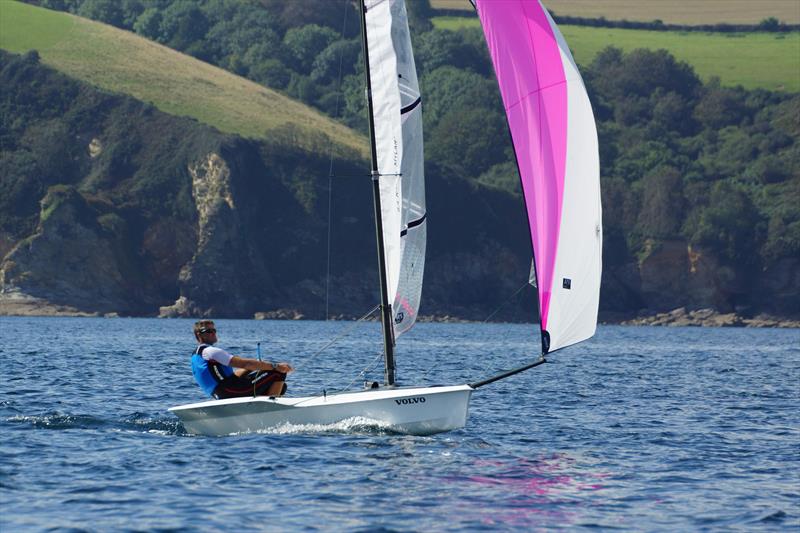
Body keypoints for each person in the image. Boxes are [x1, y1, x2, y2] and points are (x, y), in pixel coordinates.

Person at [191, 320, 293, 399]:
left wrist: (256, 365)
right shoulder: (211, 351)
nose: (213, 333)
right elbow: (246, 364)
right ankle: (269, 410)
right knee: (278, 373)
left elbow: (234, 376)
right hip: (230, 390)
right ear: (199, 335)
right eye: (208, 331)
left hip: (222, 393)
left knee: (281, 386)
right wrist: (276, 366)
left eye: (214, 330)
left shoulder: (197, 355)